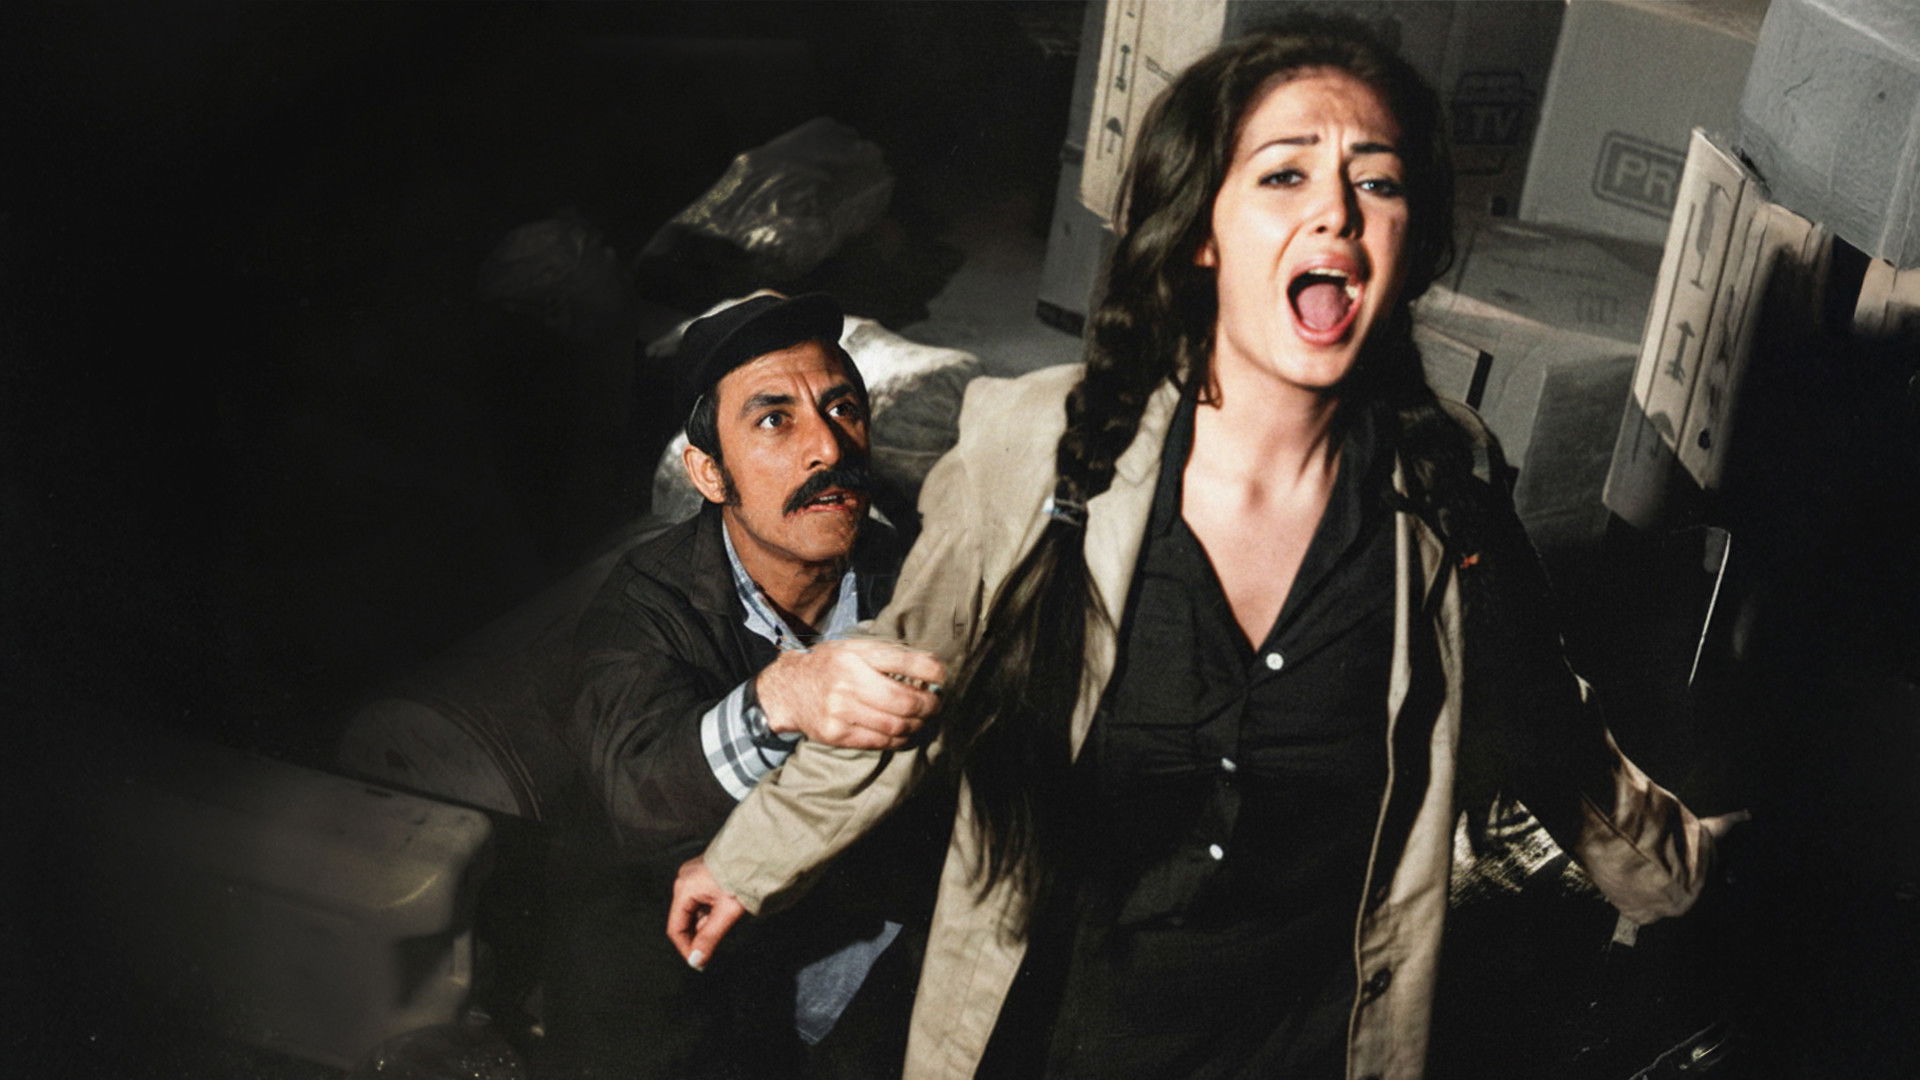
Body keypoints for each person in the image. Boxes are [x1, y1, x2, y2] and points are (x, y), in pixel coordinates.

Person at [668, 18, 1741, 1080]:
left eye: (1376, 182)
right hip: (1060, 1035)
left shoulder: (1442, 483)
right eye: (1284, 175)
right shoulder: (1031, 445)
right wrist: (751, 857)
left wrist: (1680, 872)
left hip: (1308, 1043)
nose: (1335, 209)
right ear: (1201, 234)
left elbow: (1543, 722)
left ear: (1409, 245)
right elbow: (898, 684)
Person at [542, 292, 949, 1080]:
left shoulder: (913, 572)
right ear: (710, 473)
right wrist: (780, 699)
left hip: (863, 959)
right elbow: (639, 785)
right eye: (774, 421)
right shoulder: (644, 607)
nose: (827, 447)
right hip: (692, 985)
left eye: (843, 409)